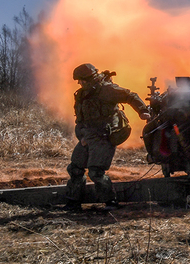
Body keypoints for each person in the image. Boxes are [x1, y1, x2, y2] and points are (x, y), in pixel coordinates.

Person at [64, 63, 151, 211]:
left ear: (89, 78)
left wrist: (142, 111)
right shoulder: (81, 95)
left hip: (103, 136)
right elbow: (80, 120)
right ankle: (73, 202)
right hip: (88, 137)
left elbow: (130, 96)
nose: (79, 83)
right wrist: (81, 137)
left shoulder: (106, 90)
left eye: (81, 80)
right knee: (75, 168)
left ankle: (110, 202)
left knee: (96, 172)